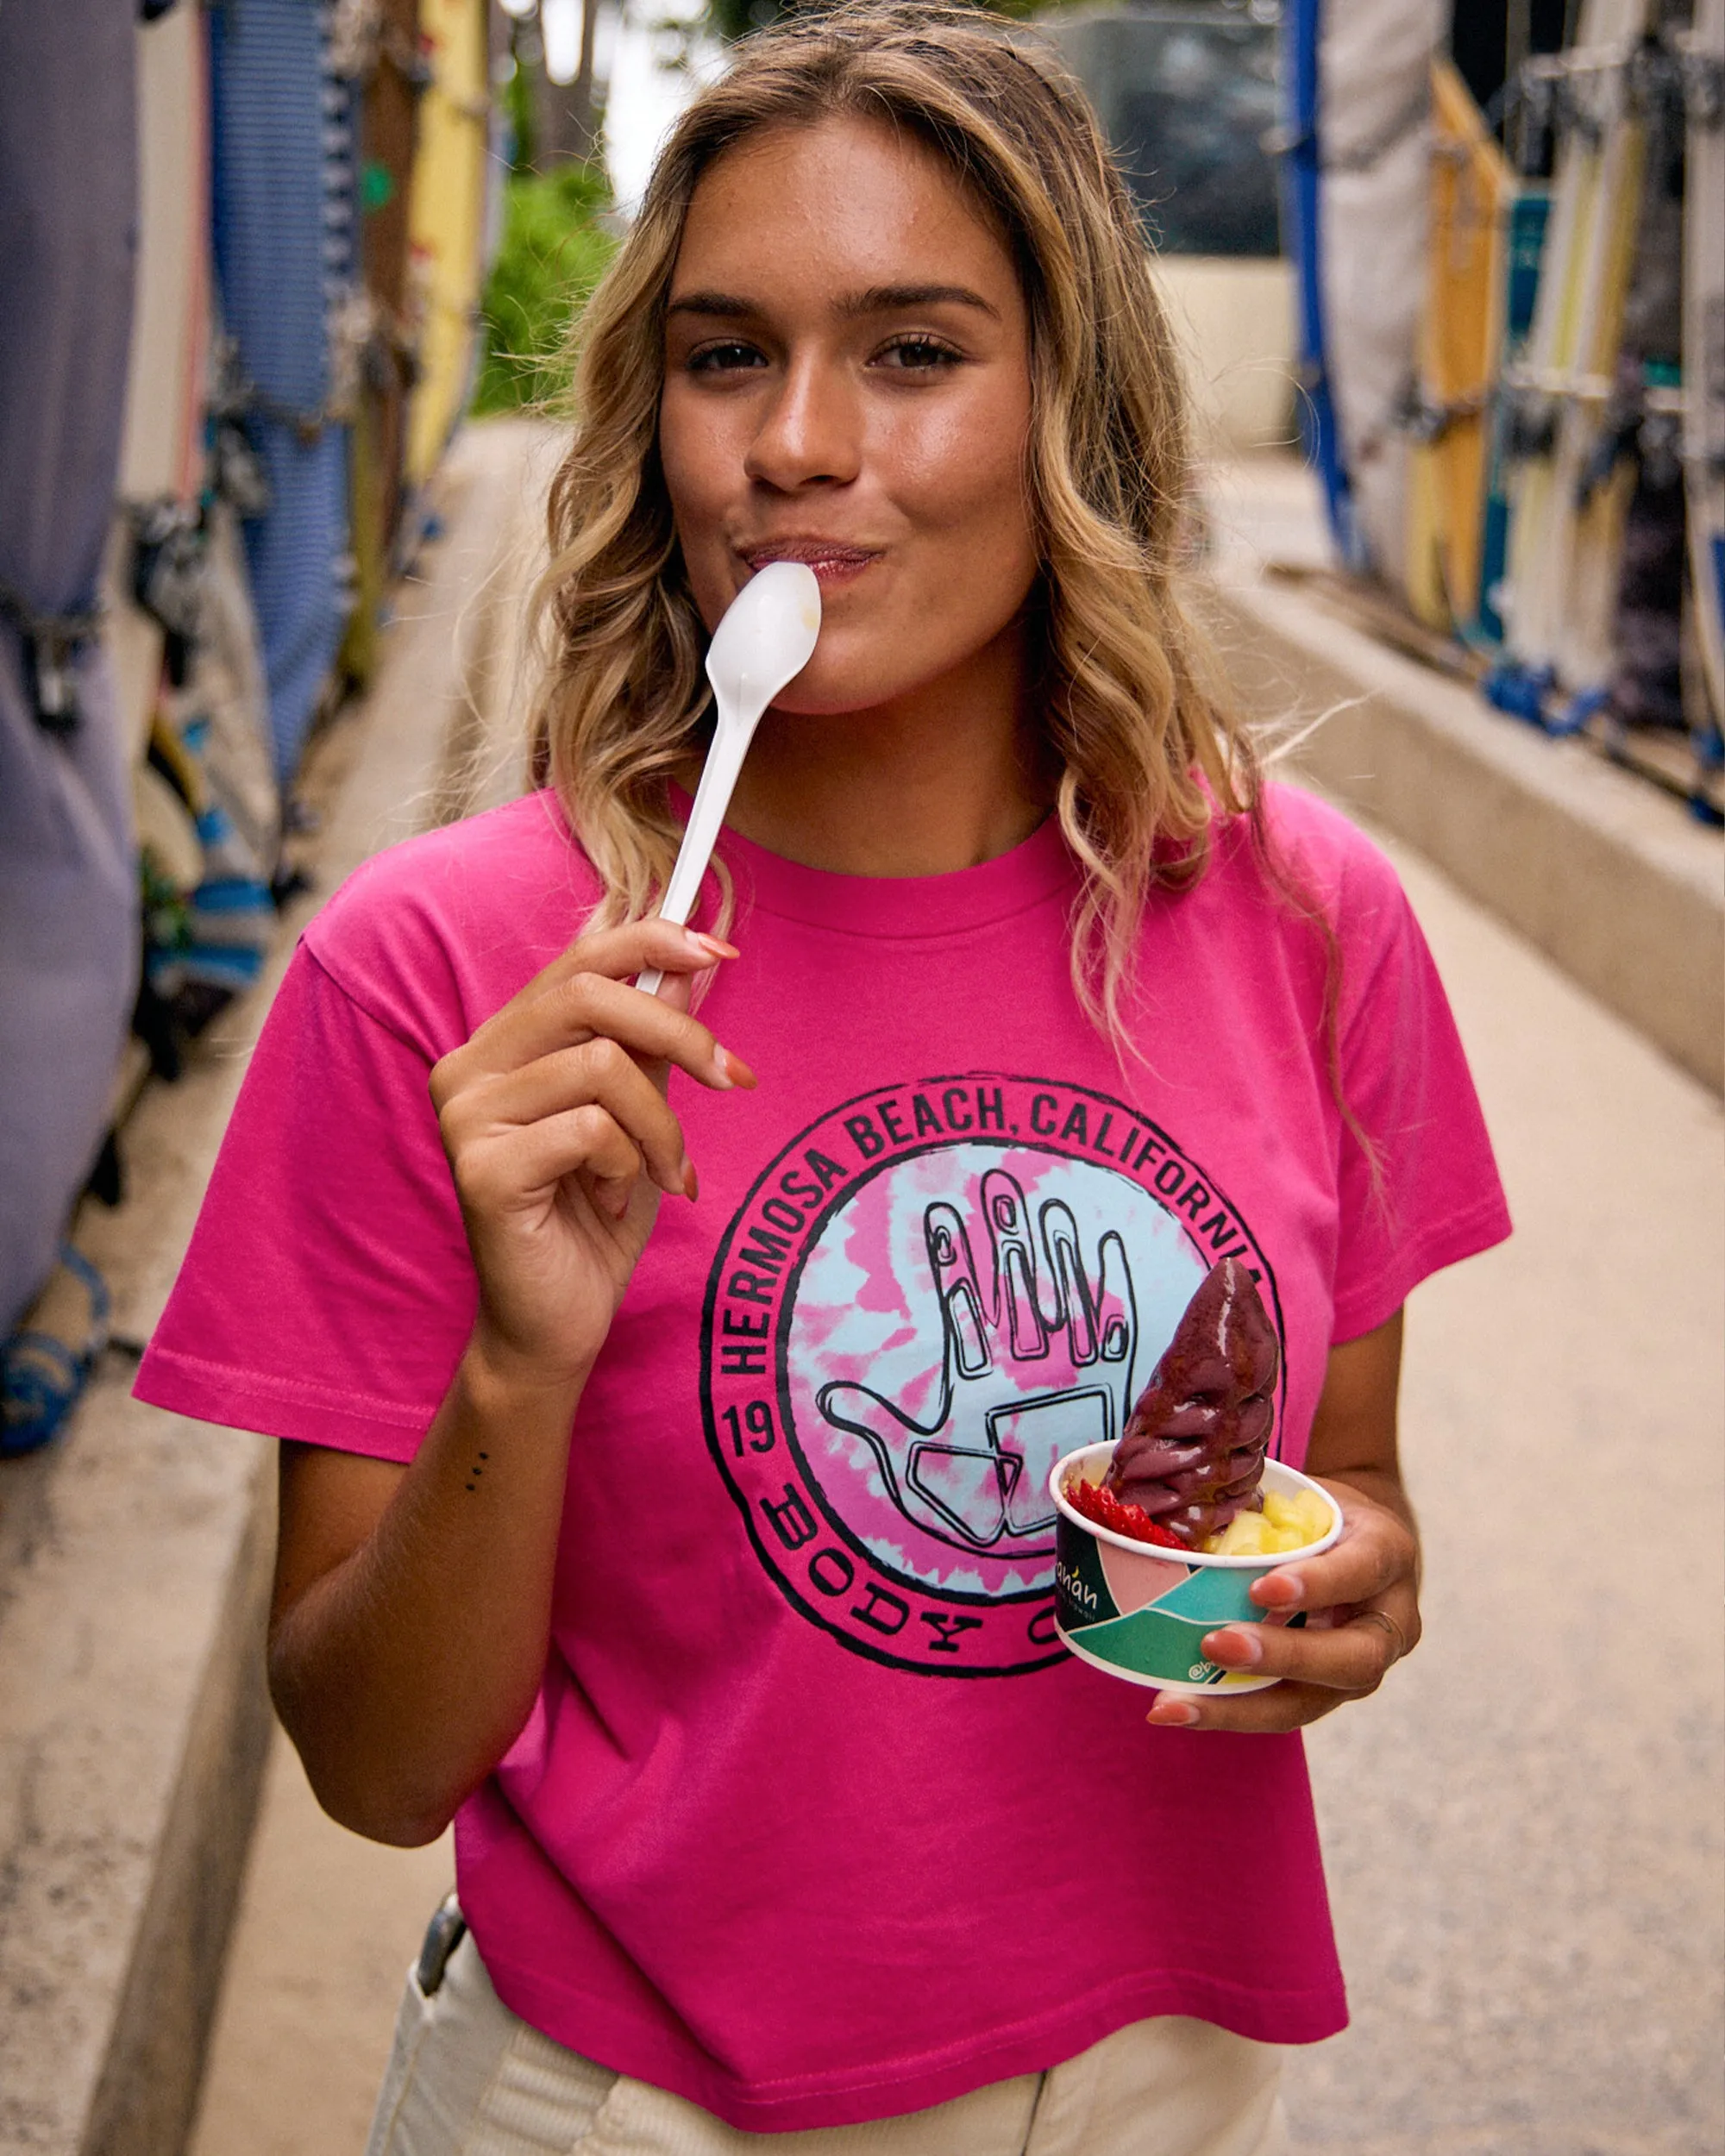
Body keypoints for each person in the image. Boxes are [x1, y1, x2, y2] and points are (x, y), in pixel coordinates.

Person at [136, 7, 1512, 2150]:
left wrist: (1351, 1589)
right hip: (617, 2101)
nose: (791, 440)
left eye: (908, 349)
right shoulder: (432, 973)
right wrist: (519, 1363)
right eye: (721, 355)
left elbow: (1349, 1484)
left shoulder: (1304, 916)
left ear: (1073, 400)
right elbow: (373, 1761)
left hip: (1161, 2078)